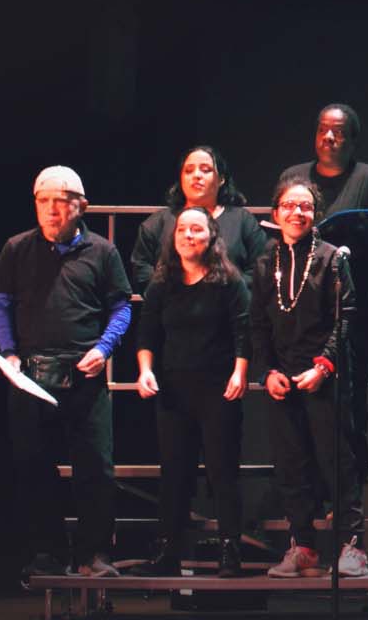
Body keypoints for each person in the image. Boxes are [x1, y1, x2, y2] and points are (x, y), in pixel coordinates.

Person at [0, 166, 132, 579]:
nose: (51, 209)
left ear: (80, 206)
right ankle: (47, 552)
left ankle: (95, 554)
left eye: (60, 201)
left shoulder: (102, 251)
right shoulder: (16, 248)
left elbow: (121, 307)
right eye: (43, 201)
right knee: (33, 466)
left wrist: (104, 348)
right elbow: (1, 303)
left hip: (84, 376)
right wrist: (10, 353)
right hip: (31, 375)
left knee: (95, 469)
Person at [277, 104, 368, 497]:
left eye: (338, 132)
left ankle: (348, 508)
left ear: (352, 139)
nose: (329, 137)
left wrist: (354, 242)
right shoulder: (293, 178)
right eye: (323, 130)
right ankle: (306, 510)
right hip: (297, 312)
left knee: (348, 410)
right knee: (297, 413)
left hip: (350, 310)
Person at [254, 177, 367, 578]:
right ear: (275, 213)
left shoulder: (334, 258)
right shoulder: (266, 261)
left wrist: (324, 365)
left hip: (324, 375)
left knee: (336, 461)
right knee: (291, 464)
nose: (296, 213)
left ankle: (352, 547)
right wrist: (267, 371)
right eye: (288, 205)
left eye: (304, 206)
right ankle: (302, 546)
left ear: (314, 214)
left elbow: (347, 317)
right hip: (282, 378)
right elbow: (259, 325)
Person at [134, 207, 251, 577]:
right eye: (181, 229)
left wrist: (240, 372)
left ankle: (231, 551)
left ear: (211, 236)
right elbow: (147, 333)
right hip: (174, 389)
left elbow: (242, 331)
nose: (187, 235)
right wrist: (145, 371)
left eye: (196, 229)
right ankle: (167, 551)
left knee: (222, 472)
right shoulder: (161, 283)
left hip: (218, 388)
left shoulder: (229, 281)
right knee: (175, 472)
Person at [130, 145, 272, 288]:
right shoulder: (157, 223)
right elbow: (141, 269)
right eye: (188, 171)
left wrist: (230, 289)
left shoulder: (243, 221)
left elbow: (261, 268)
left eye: (206, 170)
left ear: (221, 179)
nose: (197, 176)